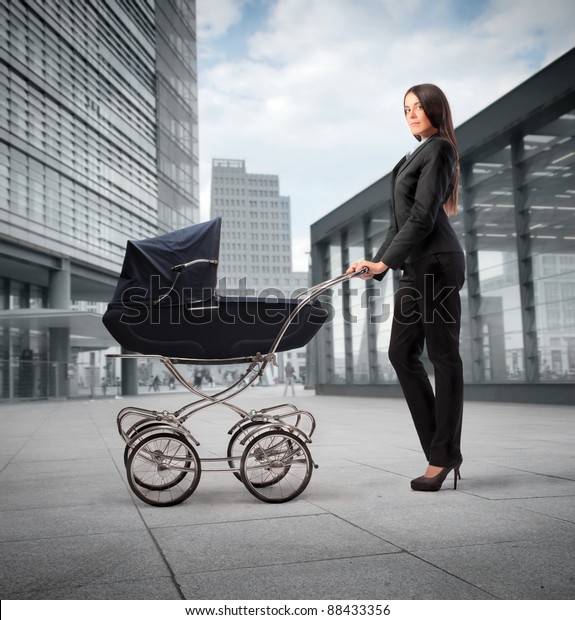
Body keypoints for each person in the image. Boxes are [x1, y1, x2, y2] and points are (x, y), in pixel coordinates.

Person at [347, 83, 465, 492]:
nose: (412, 114)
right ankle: (442, 450)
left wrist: (385, 261)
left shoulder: (440, 149)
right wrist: (375, 265)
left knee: (443, 356)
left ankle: (443, 454)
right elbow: (400, 225)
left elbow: (424, 214)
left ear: (436, 109)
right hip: (415, 267)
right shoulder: (411, 157)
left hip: (438, 264)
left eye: (418, 107)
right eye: (406, 109)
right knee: (401, 353)